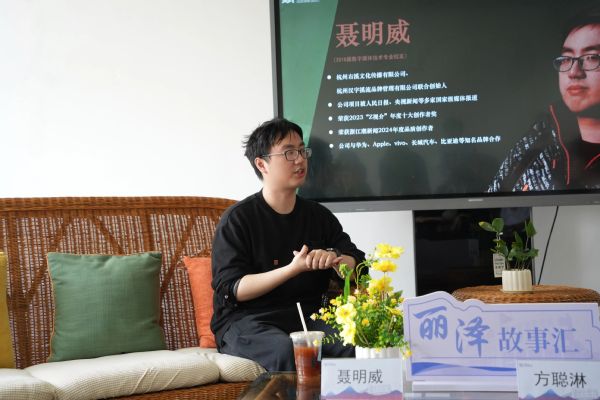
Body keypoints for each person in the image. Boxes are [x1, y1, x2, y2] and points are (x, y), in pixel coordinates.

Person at [210, 117, 365, 372]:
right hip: (248, 322)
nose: (300, 160)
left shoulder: (318, 216)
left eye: (302, 151)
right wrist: (292, 269)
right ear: (262, 164)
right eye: (289, 153)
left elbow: (358, 263)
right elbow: (232, 289)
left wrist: (335, 259)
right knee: (286, 350)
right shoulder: (238, 219)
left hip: (308, 317)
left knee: (356, 341)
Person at [489, 7, 600, 192]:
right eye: (566, 59)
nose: (574, 72)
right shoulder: (540, 134)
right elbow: (495, 194)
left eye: (591, 57)